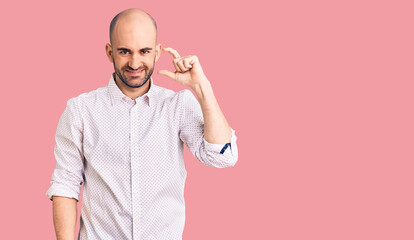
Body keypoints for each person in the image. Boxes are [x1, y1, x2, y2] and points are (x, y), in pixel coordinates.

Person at [46, 8, 238, 240]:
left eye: (144, 51)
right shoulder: (80, 110)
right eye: (124, 51)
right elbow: (65, 185)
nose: (135, 63)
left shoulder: (177, 105)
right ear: (109, 52)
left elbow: (222, 156)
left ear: (157, 53)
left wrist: (201, 87)